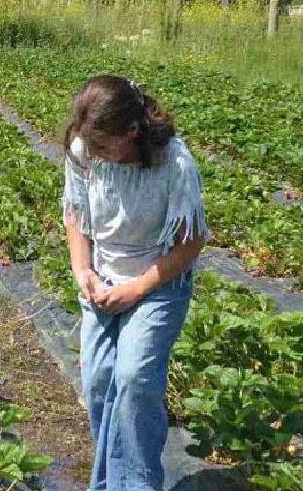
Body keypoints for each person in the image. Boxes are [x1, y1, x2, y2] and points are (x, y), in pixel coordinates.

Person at [62, 76, 208, 491]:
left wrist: (137, 288)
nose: (95, 155)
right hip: (103, 280)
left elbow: (190, 242)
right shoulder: (83, 151)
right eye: (90, 146)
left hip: (158, 283)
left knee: (133, 379)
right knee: (98, 381)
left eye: (104, 147)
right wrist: (83, 272)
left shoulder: (174, 164)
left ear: (133, 131)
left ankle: (136, 483)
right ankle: (112, 478)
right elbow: (75, 218)